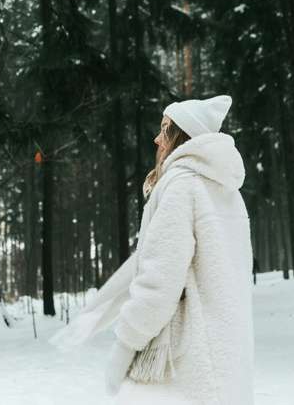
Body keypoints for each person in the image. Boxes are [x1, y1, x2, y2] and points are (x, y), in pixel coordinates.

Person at [103, 95, 255, 405]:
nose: (157, 139)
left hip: (187, 364)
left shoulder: (180, 186)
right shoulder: (225, 189)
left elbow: (159, 280)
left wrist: (125, 345)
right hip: (226, 355)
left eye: (165, 129)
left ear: (182, 135)